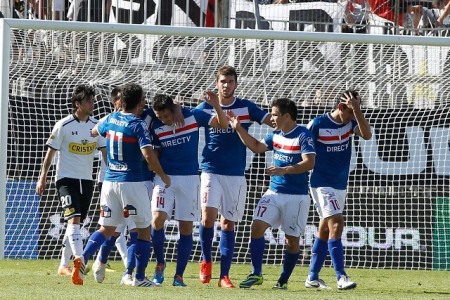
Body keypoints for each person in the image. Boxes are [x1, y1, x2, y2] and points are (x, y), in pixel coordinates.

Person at [70, 83, 171, 287]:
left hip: (109, 183)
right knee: (143, 230)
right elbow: (147, 154)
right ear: (139, 102)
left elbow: (93, 131)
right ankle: (140, 278)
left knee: (106, 228)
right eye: (143, 99)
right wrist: (162, 175)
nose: (144, 102)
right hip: (131, 183)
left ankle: (84, 257)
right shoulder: (138, 124)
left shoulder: (111, 118)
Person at [196, 65, 273, 288]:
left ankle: (224, 276)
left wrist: (283, 129)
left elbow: (273, 121)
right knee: (207, 217)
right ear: (216, 83)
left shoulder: (247, 107)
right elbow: (185, 119)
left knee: (228, 224)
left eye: (230, 81)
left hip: (236, 173)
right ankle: (206, 261)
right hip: (210, 169)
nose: (226, 85)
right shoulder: (206, 107)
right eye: (222, 81)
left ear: (236, 84)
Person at [230, 98, 316, 290]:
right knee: (256, 227)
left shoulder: (303, 135)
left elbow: (309, 163)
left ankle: (283, 280)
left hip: (297, 196)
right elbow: (256, 147)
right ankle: (256, 273)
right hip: (274, 192)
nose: (272, 117)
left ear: (287, 116)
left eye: (275, 114)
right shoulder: (275, 134)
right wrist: (238, 128)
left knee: (292, 240)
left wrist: (285, 169)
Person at [149, 92, 228, 287]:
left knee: (185, 227)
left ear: (173, 109)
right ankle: (160, 263)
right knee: (157, 220)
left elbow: (223, 124)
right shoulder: (155, 125)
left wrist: (216, 105)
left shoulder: (193, 115)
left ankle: (179, 276)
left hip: (190, 179)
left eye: (166, 115)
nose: (164, 120)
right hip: (164, 178)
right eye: (160, 117)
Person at [36, 84, 106, 276]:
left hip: (87, 180)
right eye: (88, 100)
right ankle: (80, 260)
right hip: (66, 180)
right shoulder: (63, 125)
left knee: (75, 223)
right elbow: (50, 154)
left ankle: (63, 266)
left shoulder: (96, 126)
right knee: (74, 219)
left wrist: (109, 176)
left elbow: (105, 153)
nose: (92, 103)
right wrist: (43, 177)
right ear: (77, 104)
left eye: (93, 100)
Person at [304, 90, 372, 290]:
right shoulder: (317, 124)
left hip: (340, 184)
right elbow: (303, 148)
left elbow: (367, 135)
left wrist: (357, 111)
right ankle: (341, 277)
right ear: (341, 107)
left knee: (325, 228)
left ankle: (312, 277)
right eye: (352, 111)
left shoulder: (351, 123)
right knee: (337, 224)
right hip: (320, 182)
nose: (355, 115)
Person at [92, 87, 129, 283]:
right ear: (115, 102)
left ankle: (105, 261)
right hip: (108, 180)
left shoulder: (134, 119)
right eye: (121, 100)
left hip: (130, 180)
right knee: (113, 227)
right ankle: (107, 261)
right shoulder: (106, 121)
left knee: (122, 226)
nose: (124, 103)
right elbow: (94, 137)